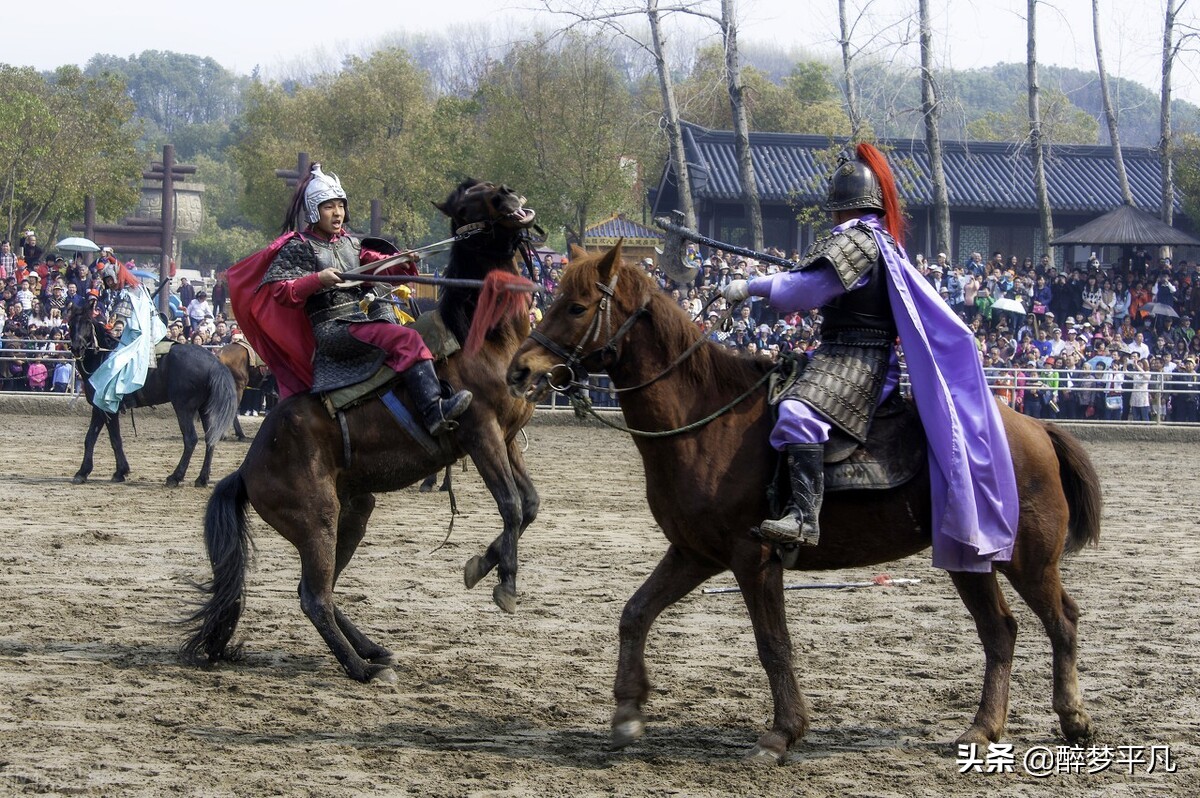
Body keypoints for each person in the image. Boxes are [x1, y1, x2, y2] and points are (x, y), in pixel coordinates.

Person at [721, 143, 1017, 572]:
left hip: (860, 361)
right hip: (838, 354)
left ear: (841, 207)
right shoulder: (874, 240)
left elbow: (806, 291)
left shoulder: (857, 241)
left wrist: (752, 286)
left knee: (797, 412)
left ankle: (804, 518)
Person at [250, 163, 470, 435]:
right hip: (333, 329)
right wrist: (318, 279)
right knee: (407, 339)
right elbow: (282, 291)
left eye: (340, 205)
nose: (338, 213)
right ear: (314, 210)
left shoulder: (350, 244)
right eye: (329, 206)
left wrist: (402, 261)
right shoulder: (299, 247)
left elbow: (377, 265)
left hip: (360, 319)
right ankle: (432, 411)